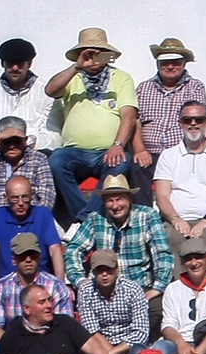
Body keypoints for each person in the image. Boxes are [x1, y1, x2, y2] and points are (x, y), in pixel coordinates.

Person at [45, 29, 137, 222]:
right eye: (88, 53)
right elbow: (51, 90)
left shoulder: (121, 78)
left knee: (122, 162)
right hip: (74, 151)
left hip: (107, 152)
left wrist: (118, 144)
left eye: (99, 53)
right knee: (56, 161)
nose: (94, 58)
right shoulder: (73, 77)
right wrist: (76, 67)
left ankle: (83, 220)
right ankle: (89, 219)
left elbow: (129, 115)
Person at [64, 175, 173, 337]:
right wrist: (80, 281)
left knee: (156, 310)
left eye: (119, 199)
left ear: (129, 198)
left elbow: (162, 254)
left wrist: (156, 289)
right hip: (104, 289)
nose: (115, 206)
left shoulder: (147, 216)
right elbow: (74, 249)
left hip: (140, 287)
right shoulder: (96, 219)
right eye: (110, 200)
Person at [154, 100, 206, 271]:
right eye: (187, 120)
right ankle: (179, 290)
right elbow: (162, 195)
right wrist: (176, 219)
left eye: (198, 119)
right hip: (176, 219)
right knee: (173, 237)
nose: (193, 124)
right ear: (180, 123)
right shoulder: (168, 155)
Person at [131, 37, 206, 205]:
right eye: (165, 62)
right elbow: (136, 122)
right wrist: (140, 149)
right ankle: (145, 218)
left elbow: (197, 122)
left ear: (184, 63)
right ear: (157, 64)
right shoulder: (144, 88)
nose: (170, 66)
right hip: (150, 153)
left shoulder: (195, 87)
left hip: (180, 152)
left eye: (176, 62)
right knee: (136, 168)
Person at [0, 38, 60, 154]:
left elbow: (54, 137)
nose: (15, 68)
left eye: (20, 63)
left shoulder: (47, 92)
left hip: (35, 155)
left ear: (29, 63)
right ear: (2, 63)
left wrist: (25, 143)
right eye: (10, 63)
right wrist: (2, 142)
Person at [0, 233, 74, 344]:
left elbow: (65, 325)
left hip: (48, 343)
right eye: (22, 255)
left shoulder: (56, 286)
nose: (28, 260)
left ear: (40, 257)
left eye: (33, 255)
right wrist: (11, 346)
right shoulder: (1, 286)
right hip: (10, 343)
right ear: (14, 260)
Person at [76, 248, 150, 354]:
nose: (104, 274)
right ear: (93, 272)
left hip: (129, 343)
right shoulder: (85, 291)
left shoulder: (133, 290)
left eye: (109, 269)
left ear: (117, 269)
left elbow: (140, 333)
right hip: (101, 343)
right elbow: (92, 331)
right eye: (100, 270)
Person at [0, 173, 63, 286]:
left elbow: (55, 249)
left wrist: (60, 283)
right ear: (6, 197)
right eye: (15, 198)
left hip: (40, 282)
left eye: (25, 197)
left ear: (32, 195)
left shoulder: (43, 214)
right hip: (6, 283)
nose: (20, 203)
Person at [0, 116, 56, 218]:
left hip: (28, 219)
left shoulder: (38, 159)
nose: (12, 146)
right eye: (6, 141)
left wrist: (36, 219)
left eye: (17, 141)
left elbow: (47, 195)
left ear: (25, 140)